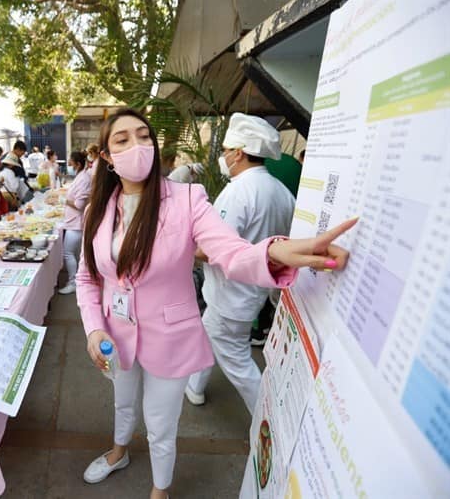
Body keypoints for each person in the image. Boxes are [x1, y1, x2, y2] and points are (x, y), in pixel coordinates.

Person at [75, 108, 354, 499]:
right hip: (115, 333)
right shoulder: (96, 212)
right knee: (122, 403)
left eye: (143, 135)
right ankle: (118, 451)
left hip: (170, 337)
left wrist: (279, 251)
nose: (136, 146)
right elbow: (88, 278)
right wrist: (93, 328)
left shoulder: (187, 199)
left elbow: (231, 251)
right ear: (106, 156)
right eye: (122, 140)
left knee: (160, 423)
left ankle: (160, 489)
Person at [185, 113, 297, 413]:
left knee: (238, 363)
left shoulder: (237, 192)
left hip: (230, 295)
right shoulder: (283, 193)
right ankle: (194, 387)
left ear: (238, 152)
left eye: (224, 151)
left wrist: (182, 245)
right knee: (208, 335)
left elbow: (212, 249)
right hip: (251, 293)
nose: (223, 157)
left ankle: (269, 420)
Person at [58, 151, 91, 295]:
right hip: (72, 221)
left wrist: (64, 201)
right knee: (72, 253)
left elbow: (79, 204)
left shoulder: (84, 178)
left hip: (76, 224)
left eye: (71, 163)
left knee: (68, 253)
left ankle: (73, 282)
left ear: (78, 164)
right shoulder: (81, 176)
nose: (69, 166)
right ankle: (77, 279)